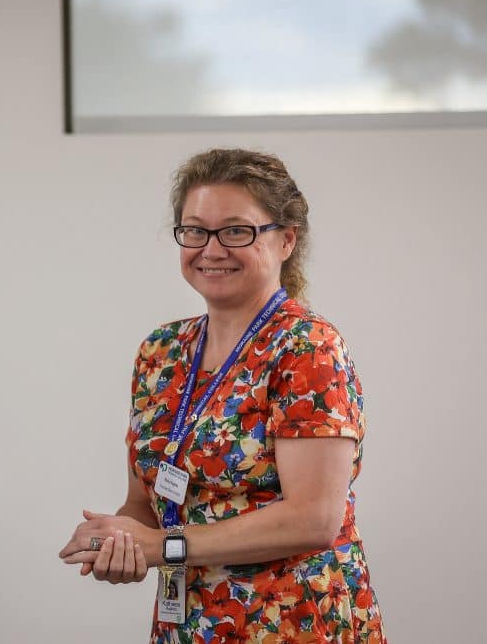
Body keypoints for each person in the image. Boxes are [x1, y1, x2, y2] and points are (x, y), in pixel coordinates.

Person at [59, 149, 385, 643]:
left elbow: (315, 519)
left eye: (237, 230)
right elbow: (147, 505)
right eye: (195, 230)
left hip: (294, 622)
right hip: (189, 622)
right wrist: (119, 541)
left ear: (287, 240)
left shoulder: (307, 348)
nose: (211, 249)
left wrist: (163, 547)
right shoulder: (161, 351)